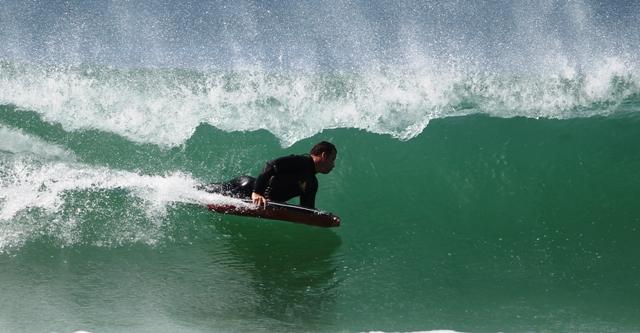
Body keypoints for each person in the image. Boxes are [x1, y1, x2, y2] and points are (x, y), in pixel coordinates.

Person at [198, 141, 337, 209]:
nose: (333, 165)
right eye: (332, 159)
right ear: (323, 156)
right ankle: (184, 189)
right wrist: (257, 192)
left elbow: (307, 209)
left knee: (209, 194)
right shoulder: (303, 162)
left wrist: (319, 217)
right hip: (246, 187)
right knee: (203, 191)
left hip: (255, 196)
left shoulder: (312, 183)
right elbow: (272, 165)